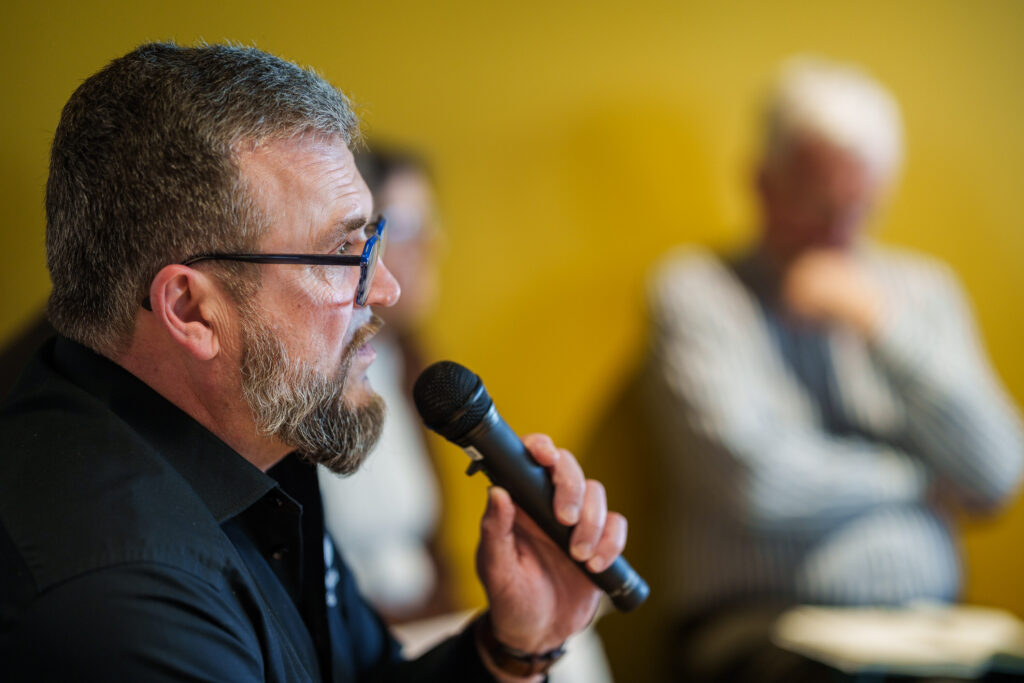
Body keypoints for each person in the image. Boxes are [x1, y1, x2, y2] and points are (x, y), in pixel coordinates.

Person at [0, 42, 628, 682]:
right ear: (191, 310)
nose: (386, 289)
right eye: (340, 253)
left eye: (372, 240)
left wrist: (512, 647)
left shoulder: (257, 443)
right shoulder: (123, 600)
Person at [641, 57, 1024, 681]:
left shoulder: (923, 293)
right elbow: (755, 481)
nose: (840, 233)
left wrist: (881, 325)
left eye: (860, 208)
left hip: (928, 624)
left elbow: (998, 472)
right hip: (760, 623)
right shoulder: (698, 292)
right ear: (763, 184)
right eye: (817, 207)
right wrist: (920, 481)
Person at [317, 146, 452, 622]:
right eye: (408, 226)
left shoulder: (411, 360)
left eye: (432, 223)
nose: (432, 244)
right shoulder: (307, 377)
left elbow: (435, 554)